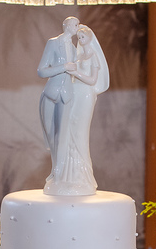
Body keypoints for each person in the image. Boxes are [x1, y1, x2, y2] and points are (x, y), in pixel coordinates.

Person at [45, 24, 109, 196]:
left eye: (83, 37)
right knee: (69, 130)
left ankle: (83, 176)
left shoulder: (93, 56)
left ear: (90, 38)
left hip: (86, 95)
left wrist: (75, 73)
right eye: (78, 37)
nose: (80, 40)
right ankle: (68, 175)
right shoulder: (78, 55)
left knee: (80, 132)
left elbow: (92, 80)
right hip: (74, 93)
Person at [38, 16, 79, 186]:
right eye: (75, 24)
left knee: (62, 135)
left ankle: (58, 172)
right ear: (66, 26)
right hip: (51, 93)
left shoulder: (75, 49)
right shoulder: (53, 43)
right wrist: (63, 67)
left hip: (67, 94)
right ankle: (56, 169)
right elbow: (41, 71)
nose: (77, 27)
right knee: (50, 133)